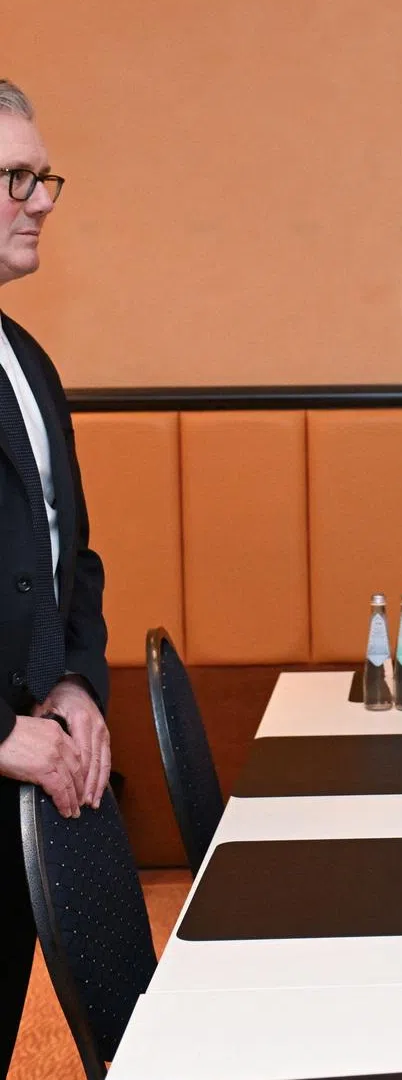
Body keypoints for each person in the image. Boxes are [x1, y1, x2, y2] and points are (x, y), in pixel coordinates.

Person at [0, 80, 111, 1074]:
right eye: (14, 179)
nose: (38, 200)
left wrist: (74, 679)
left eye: (42, 178)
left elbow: (68, 561)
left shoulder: (26, 361)